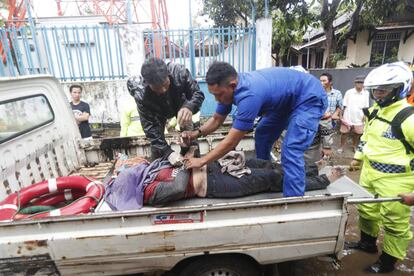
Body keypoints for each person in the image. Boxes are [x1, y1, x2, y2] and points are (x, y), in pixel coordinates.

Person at [181, 62, 327, 197]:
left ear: (233, 85)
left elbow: (231, 142)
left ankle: (294, 202)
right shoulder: (228, 92)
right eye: (214, 95)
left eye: (219, 95)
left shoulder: (249, 96)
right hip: (284, 102)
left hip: (308, 97)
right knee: (262, 134)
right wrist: (195, 134)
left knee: (291, 148)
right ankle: (267, 176)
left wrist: (202, 161)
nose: (217, 100)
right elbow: (217, 120)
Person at [347, 62, 414, 273]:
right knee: (366, 210)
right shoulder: (375, 111)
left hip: (397, 179)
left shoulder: (409, 118)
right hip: (369, 171)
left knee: (395, 223)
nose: (378, 94)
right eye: (375, 90)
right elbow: (366, 138)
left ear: (399, 89)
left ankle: (387, 263)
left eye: (383, 90)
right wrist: (357, 158)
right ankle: (367, 244)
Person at [127, 58, 205, 165]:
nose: (163, 90)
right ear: (148, 84)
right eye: (157, 88)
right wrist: (168, 153)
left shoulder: (179, 73)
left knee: (189, 137)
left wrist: (189, 106)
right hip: (157, 112)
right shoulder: (141, 94)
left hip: (181, 105)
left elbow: (197, 94)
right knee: (158, 149)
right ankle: (159, 167)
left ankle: (191, 160)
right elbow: (151, 129)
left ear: (168, 74)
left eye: (165, 84)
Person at [339, 75, 369, 153]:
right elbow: (344, 105)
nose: (359, 84)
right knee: (344, 133)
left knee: (358, 133)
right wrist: (341, 115)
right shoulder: (349, 92)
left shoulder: (366, 93)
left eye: (361, 82)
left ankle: (355, 146)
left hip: (359, 116)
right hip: (348, 115)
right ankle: (341, 147)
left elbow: (366, 106)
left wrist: (365, 115)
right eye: (358, 82)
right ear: (355, 83)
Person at [319, 72, 343, 158]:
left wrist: (334, 114)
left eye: (324, 80)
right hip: (317, 119)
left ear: (330, 82)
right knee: (316, 139)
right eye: (320, 80)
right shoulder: (317, 92)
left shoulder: (337, 93)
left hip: (330, 121)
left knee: (327, 140)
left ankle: (326, 156)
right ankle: (318, 156)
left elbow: (339, 106)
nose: (321, 83)